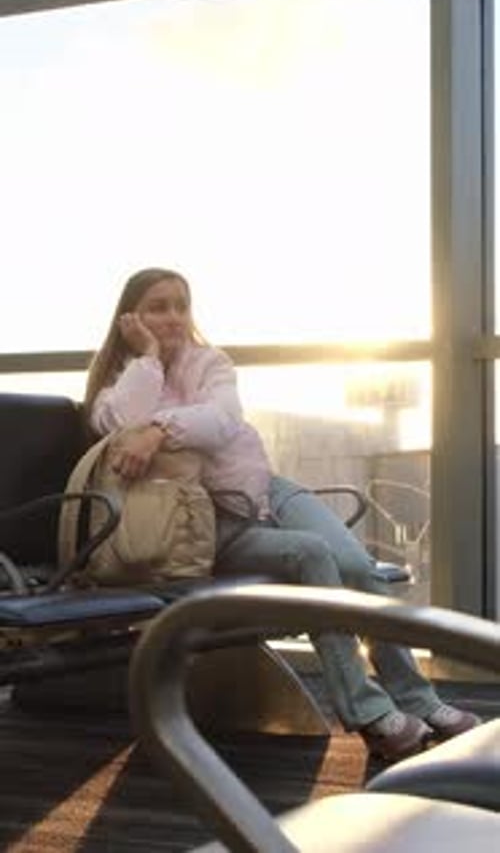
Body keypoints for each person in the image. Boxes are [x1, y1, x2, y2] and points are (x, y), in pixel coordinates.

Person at [84, 267, 480, 762]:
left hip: (268, 491)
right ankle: (370, 714)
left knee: (357, 566)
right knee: (310, 554)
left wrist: (158, 432)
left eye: (181, 305)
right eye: (157, 307)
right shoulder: (114, 387)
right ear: (130, 318)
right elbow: (123, 423)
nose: (173, 317)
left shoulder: (210, 363)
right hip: (205, 522)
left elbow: (221, 420)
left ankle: (418, 699)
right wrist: (147, 359)